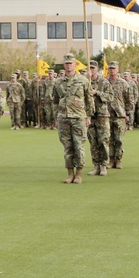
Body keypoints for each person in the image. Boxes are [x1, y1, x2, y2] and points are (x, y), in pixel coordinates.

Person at [51, 54, 94, 184]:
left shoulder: (83, 80)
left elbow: (89, 99)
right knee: (67, 147)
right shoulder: (58, 82)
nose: (69, 65)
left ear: (75, 65)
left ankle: (79, 174)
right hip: (64, 118)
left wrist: (89, 116)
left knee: (79, 146)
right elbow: (55, 101)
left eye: (71, 63)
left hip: (79, 118)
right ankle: (70, 173)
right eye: (66, 63)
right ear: (64, 65)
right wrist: (56, 118)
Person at [87, 61, 113, 176]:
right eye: (89, 68)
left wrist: (97, 93)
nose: (91, 70)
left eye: (93, 68)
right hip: (90, 115)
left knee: (103, 140)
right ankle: (96, 165)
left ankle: (103, 165)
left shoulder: (104, 82)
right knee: (93, 142)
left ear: (97, 69)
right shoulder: (84, 82)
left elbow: (110, 97)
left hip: (102, 115)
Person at [106, 62, 132, 169]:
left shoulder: (123, 83)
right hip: (107, 114)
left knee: (119, 139)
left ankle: (119, 159)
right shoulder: (104, 82)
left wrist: (127, 113)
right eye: (110, 68)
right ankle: (111, 160)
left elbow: (129, 100)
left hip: (120, 114)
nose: (112, 70)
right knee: (109, 139)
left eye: (114, 68)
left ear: (118, 69)